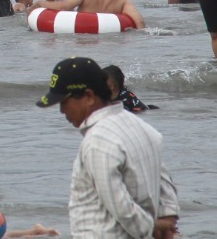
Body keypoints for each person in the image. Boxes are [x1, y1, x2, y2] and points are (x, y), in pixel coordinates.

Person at [36, 57, 178, 239]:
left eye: (64, 102)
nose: (62, 111)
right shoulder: (144, 129)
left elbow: (120, 205)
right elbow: (165, 185)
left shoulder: (98, 140)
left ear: (88, 97)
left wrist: (153, 227)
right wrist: (167, 223)